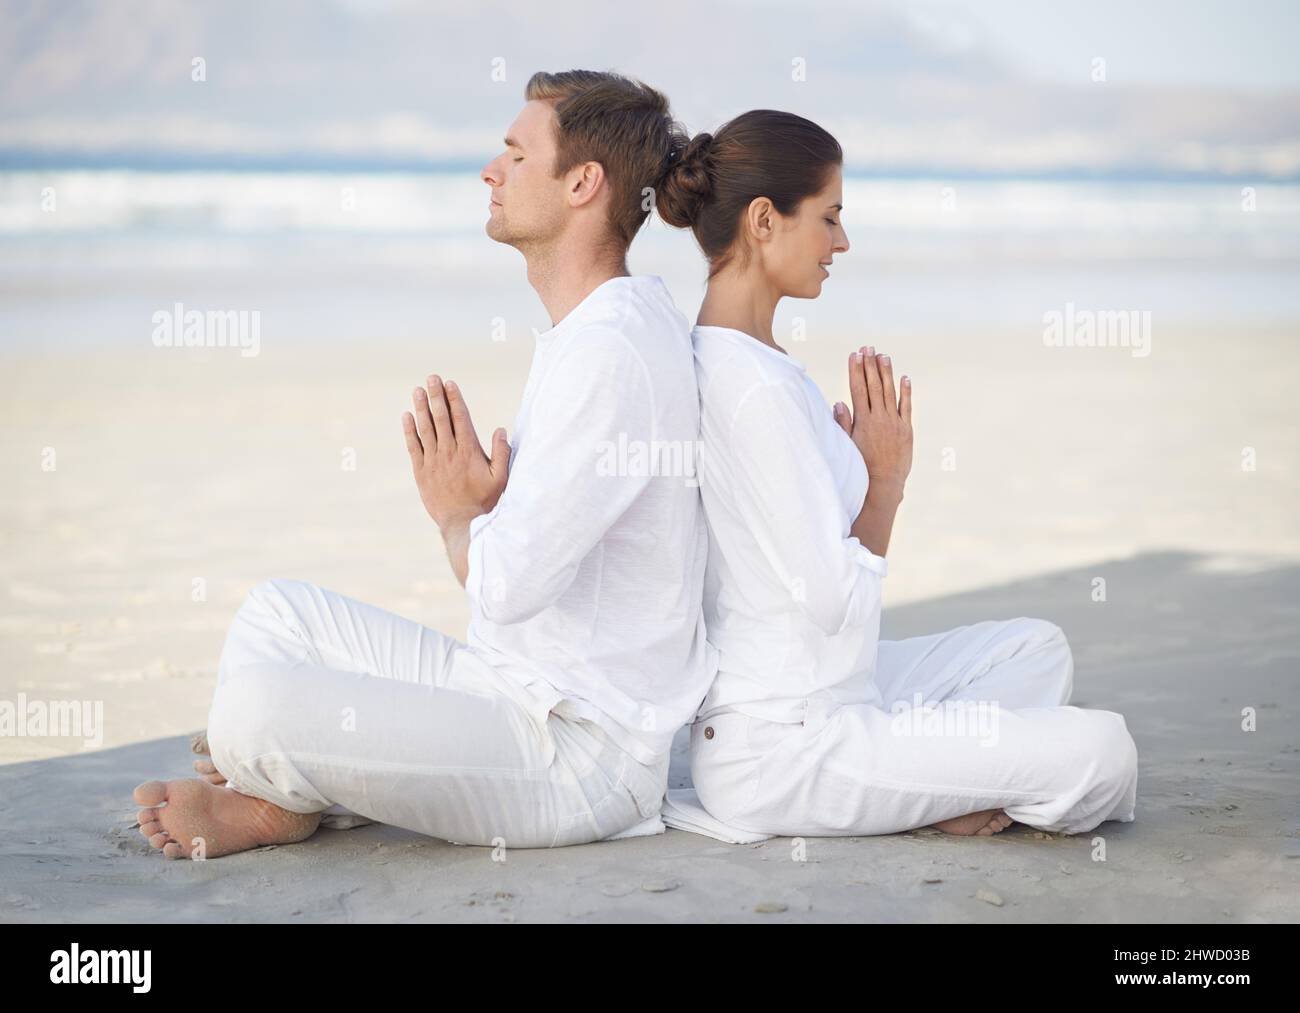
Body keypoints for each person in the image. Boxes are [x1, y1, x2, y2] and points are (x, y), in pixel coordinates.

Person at [133, 70, 714, 859]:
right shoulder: (602, 325)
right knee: (277, 613)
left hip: (578, 759)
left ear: (582, 183)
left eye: (515, 155)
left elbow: (506, 588)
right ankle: (289, 791)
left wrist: (458, 515)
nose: (491, 171)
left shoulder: (612, 351)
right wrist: (494, 512)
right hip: (513, 688)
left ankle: (279, 793)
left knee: (255, 711)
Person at [657, 109, 1138, 838]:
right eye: (830, 216)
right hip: (790, 746)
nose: (841, 242)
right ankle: (935, 788)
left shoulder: (753, 365)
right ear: (763, 221)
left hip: (840, 690)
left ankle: (930, 774)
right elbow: (829, 604)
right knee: (1103, 750)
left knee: (1035, 647)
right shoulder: (752, 390)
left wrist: (843, 470)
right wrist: (883, 484)